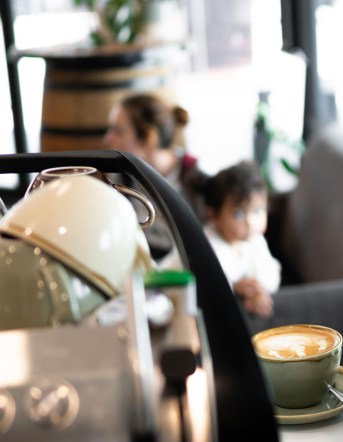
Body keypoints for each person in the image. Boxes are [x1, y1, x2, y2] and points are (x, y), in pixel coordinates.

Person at [103, 93, 208, 259]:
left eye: (118, 131)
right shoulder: (121, 178)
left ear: (148, 138)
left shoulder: (196, 178)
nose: (107, 139)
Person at [201, 161, 281, 317]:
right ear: (213, 216)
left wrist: (258, 289)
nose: (250, 222)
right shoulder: (207, 244)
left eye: (257, 211)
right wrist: (235, 287)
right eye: (238, 214)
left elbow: (271, 272)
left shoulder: (255, 240)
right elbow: (208, 287)